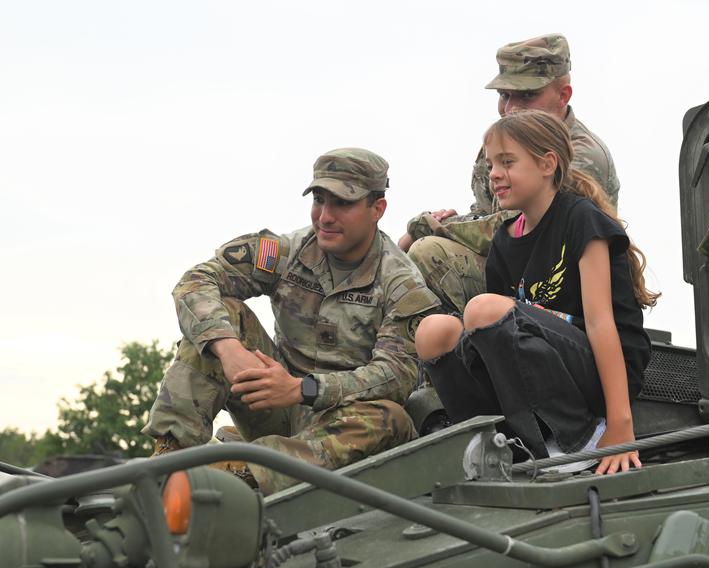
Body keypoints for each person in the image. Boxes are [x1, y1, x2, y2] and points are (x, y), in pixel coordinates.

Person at [142, 148, 440, 495]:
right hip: (274, 408)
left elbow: (396, 377)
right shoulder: (286, 252)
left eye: (342, 203)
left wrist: (303, 389)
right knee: (217, 320)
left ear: (378, 209)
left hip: (341, 428)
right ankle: (172, 458)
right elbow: (195, 282)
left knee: (391, 417)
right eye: (318, 199)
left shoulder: (401, 284)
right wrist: (229, 350)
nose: (325, 216)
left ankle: (245, 474)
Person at [414, 110, 658, 474]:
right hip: (541, 370)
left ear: (547, 164)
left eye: (508, 162)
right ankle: (499, 444)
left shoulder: (581, 219)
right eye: (492, 163)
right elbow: (494, 351)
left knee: (484, 310)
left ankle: (574, 440)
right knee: (433, 333)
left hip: (598, 376)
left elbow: (600, 323)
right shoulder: (504, 241)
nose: (495, 173)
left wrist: (621, 424)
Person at [399, 33, 620, 314]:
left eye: (527, 95)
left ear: (563, 95)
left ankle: (469, 348)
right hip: (510, 272)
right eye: (505, 95)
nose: (511, 108)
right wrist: (452, 222)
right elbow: (485, 215)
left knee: (429, 252)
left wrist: (426, 226)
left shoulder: (582, 155)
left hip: (569, 289)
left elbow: (516, 226)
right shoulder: (502, 145)